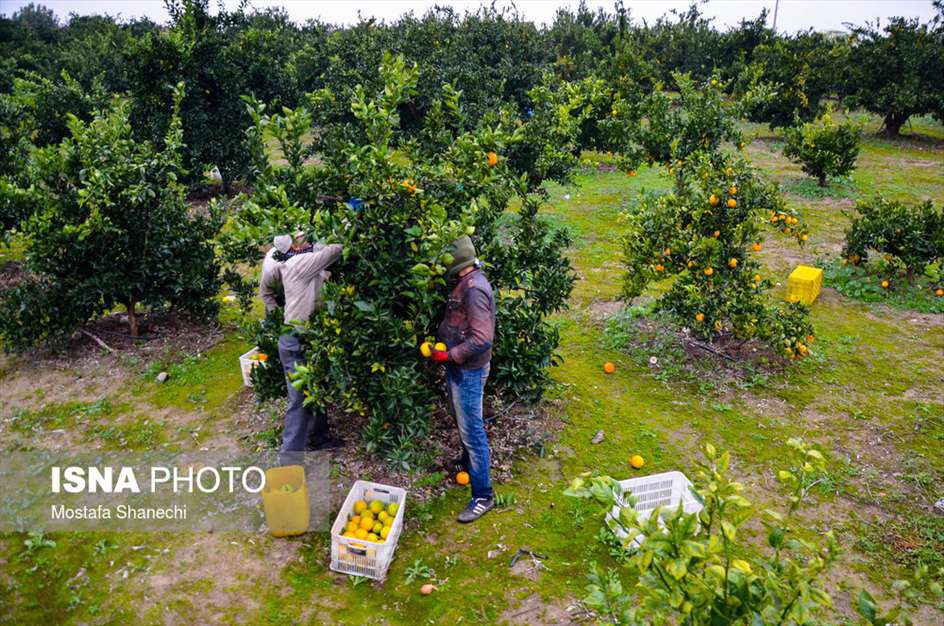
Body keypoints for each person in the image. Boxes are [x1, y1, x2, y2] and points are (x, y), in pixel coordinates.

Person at [427, 235, 497, 523]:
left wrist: (449, 355)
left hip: (469, 370)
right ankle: (466, 462)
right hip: (459, 367)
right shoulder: (465, 283)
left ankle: (483, 496)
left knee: (473, 432)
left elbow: (482, 338)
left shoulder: (474, 290)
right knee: (462, 421)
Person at [260, 230, 342, 463]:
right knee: (299, 401)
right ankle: (289, 462)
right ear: (293, 248)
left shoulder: (287, 261)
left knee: (317, 389)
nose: (307, 241)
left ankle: (317, 438)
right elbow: (335, 249)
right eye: (302, 240)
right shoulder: (299, 263)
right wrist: (352, 218)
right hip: (295, 339)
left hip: (309, 334)